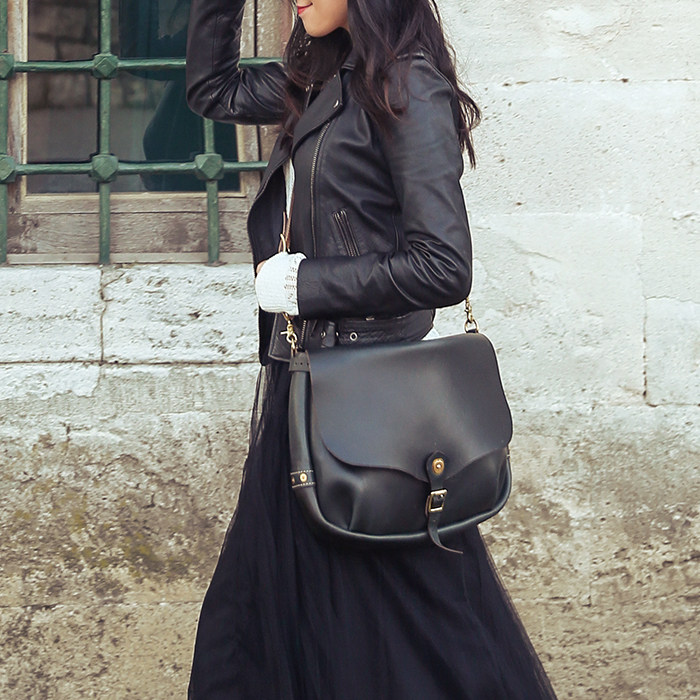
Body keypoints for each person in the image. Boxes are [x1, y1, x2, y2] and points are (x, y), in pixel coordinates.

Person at [185, 0, 559, 697]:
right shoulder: (322, 74)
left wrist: (306, 282)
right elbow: (214, 89)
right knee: (268, 621)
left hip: (373, 404)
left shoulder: (408, 84)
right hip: (307, 381)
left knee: (413, 632)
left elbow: (443, 266)